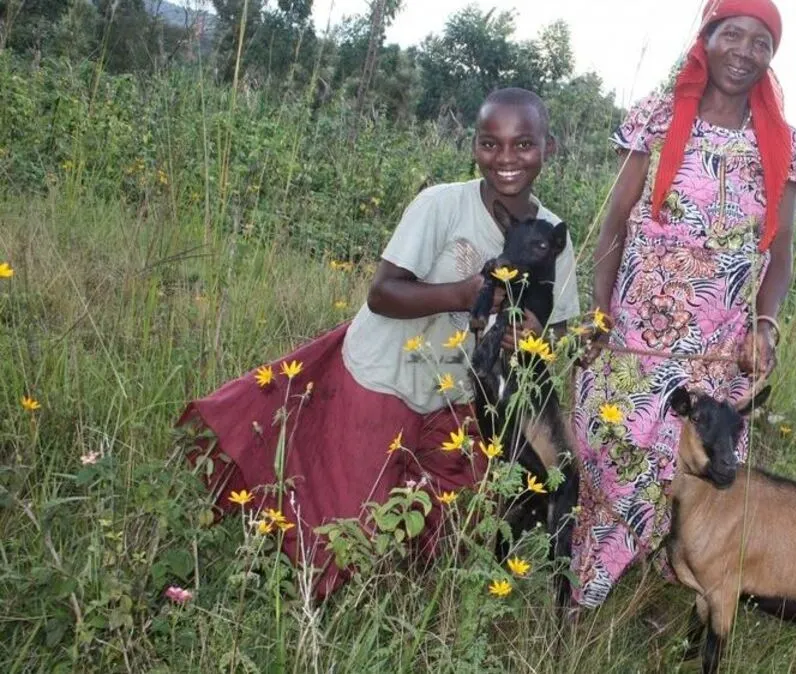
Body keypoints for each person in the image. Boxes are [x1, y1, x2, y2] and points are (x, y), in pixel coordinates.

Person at [177, 87, 582, 599]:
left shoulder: (553, 237)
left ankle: (413, 595)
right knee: (346, 533)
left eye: (523, 144)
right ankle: (280, 582)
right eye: (490, 143)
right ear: (474, 146)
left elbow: (558, 325)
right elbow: (382, 293)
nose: (505, 158)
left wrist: (532, 332)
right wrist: (462, 293)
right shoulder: (440, 205)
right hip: (383, 374)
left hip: (457, 398)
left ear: (549, 148)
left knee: (465, 519)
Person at [568, 0, 796, 609]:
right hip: (635, 343)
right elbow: (612, 228)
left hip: (718, 356)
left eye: (762, 42)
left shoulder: (783, 145)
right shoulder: (656, 117)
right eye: (733, 34)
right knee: (613, 472)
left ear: (771, 57)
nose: (745, 51)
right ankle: (579, 601)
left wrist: (767, 328)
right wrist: (599, 315)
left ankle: (664, 595)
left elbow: (779, 259)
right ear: (707, 37)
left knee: (697, 481)